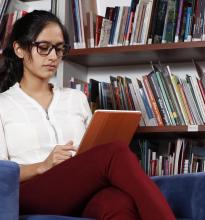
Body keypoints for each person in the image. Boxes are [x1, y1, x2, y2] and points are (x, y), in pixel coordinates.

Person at [0, 10, 175, 220]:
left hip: (79, 191)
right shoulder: (4, 104)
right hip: (29, 194)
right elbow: (1, 174)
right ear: (19, 49)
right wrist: (42, 166)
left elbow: (90, 153)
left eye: (59, 49)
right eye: (44, 48)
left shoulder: (76, 99)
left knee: (118, 202)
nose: (54, 57)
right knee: (115, 152)